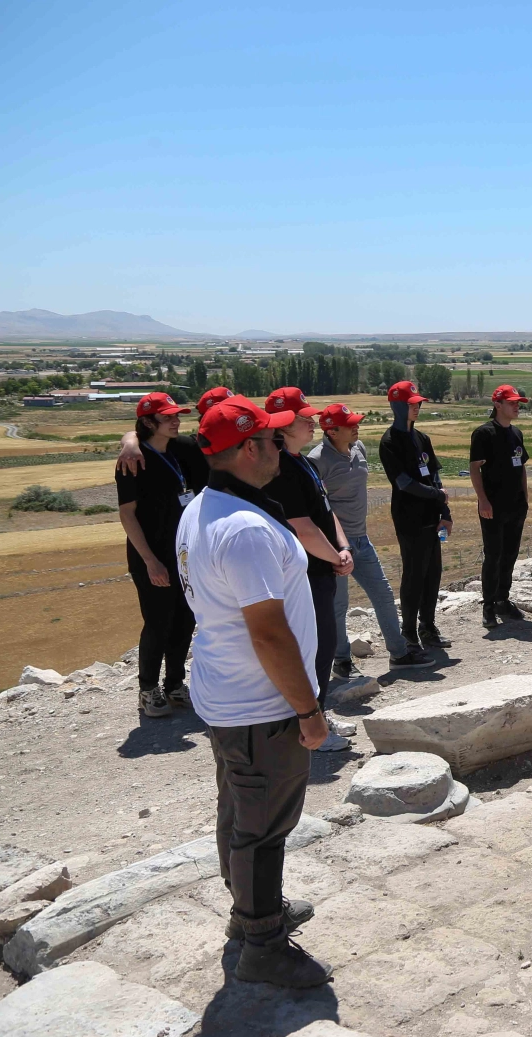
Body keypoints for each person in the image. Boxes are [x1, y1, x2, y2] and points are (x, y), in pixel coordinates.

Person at [174, 394, 331, 988]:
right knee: (263, 829)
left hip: (228, 694)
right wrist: (308, 710)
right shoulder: (243, 530)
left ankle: (252, 914)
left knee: (240, 810)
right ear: (247, 449)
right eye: (269, 440)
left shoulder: (207, 507)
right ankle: (261, 940)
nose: (280, 447)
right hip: (261, 703)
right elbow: (268, 633)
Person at [308, 404, 434, 675]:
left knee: (384, 595)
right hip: (333, 546)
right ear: (331, 431)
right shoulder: (317, 460)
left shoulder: (359, 448)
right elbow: (316, 509)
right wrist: (334, 546)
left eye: (356, 422)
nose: (356, 427)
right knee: (339, 605)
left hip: (362, 540)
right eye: (349, 424)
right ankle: (341, 661)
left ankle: (399, 654)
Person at [261, 387, 352, 753]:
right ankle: (309, 724)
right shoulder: (280, 468)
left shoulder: (305, 462)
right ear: (283, 425)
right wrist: (334, 556)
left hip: (323, 566)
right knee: (313, 647)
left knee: (324, 643)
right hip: (303, 573)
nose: (313, 422)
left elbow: (326, 512)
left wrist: (341, 548)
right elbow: (301, 525)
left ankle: (320, 712)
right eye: (304, 417)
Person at [116, 393, 201, 718]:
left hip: (183, 556)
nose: (176, 420)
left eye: (176, 415)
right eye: (168, 417)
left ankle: (175, 684)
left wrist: (130, 436)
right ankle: (148, 689)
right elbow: (128, 515)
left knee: (184, 619)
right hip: (151, 557)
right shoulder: (132, 461)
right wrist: (150, 561)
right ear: (149, 422)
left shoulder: (180, 449)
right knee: (157, 622)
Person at [378, 380, 454, 651]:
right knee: (414, 575)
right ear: (397, 406)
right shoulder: (389, 442)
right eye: (412, 404)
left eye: (418, 403)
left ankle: (428, 627)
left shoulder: (422, 438)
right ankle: (409, 631)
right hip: (409, 518)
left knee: (433, 574)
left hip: (432, 518)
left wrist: (444, 510)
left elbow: (434, 475)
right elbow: (404, 483)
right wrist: (438, 496)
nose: (417, 408)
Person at [470, 385, 531, 628]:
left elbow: (522, 467)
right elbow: (475, 468)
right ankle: (488, 606)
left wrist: (525, 499)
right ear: (497, 404)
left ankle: (503, 599)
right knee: (493, 556)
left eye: (518, 403)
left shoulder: (516, 433)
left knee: (510, 554)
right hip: (493, 506)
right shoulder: (484, 433)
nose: (517, 406)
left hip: (516, 506)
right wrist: (483, 500)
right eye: (512, 402)